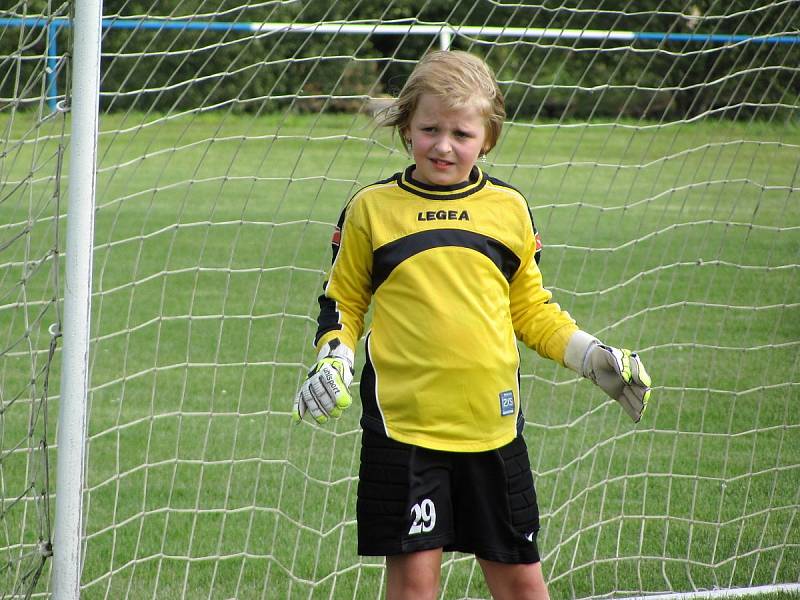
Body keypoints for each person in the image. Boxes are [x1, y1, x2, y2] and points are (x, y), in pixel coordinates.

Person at [293, 50, 652, 600]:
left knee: (522, 585)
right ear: (407, 126)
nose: (443, 145)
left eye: (461, 132)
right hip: (404, 434)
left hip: (494, 429)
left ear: (488, 136)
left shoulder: (508, 208)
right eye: (429, 128)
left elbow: (530, 308)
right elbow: (342, 299)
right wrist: (335, 355)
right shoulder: (371, 209)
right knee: (414, 587)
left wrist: (588, 355)